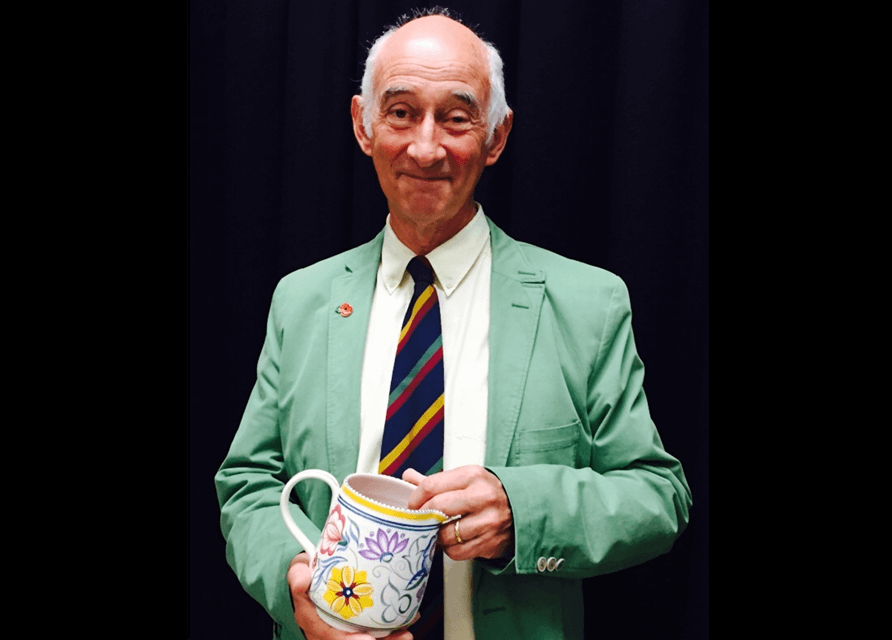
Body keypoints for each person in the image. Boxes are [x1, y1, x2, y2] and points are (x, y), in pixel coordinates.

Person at [215, 9, 692, 640]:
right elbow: (247, 483)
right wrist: (294, 585)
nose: (425, 146)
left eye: (457, 117)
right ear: (363, 124)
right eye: (402, 111)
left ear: (496, 137)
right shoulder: (301, 300)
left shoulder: (588, 303)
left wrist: (523, 511)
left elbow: (659, 496)